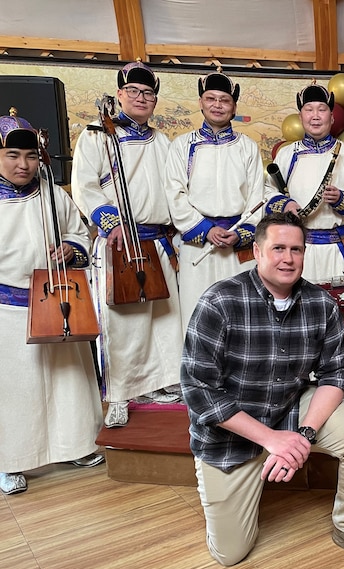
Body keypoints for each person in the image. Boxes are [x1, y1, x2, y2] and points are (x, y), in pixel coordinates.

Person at [181, 212, 344, 569]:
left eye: (296, 249)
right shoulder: (220, 301)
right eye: (278, 248)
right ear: (257, 252)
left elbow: (335, 375)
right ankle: (228, 484)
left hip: (290, 408)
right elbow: (199, 391)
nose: (288, 258)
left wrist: (303, 435)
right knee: (230, 553)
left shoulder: (321, 304)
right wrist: (271, 440)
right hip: (233, 432)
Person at [72, 61, 184, 428]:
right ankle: (118, 394)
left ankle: (159, 383)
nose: (141, 98)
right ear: (120, 94)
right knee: (123, 323)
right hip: (121, 239)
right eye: (133, 91)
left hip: (159, 239)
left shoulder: (162, 141)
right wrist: (110, 220)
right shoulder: (96, 136)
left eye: (148, 93)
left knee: (163, 318)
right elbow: (85, 186)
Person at [0, 112, 104, 495]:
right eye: (12, 155)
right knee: (14, 389)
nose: (23, 165)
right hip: (6, 306)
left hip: (57, 296)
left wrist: (71, 249)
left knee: (68, 381)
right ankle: (9, 460)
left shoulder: (52, 191)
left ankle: (75, 445)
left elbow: (79, 233)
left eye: (29, 156)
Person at [166, 71, 265, 333]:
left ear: (234, 107)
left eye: (224, 100)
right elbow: (175, 194)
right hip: (197, 247)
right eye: (211, 98)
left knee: (242, 318)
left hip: (237, 247)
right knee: (196, 316)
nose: (217, 105)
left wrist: (241, 234)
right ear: (201, 102)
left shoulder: (248, 147)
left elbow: (257, 198)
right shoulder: (181, 145)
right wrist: (206, 230)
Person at [265, 82, 344, 282]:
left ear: (331, 117)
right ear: (300, 116)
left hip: (339, 250)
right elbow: (267, 192)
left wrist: (342, 199)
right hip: (298, 248)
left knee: (341, 307)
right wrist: (286, 204)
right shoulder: (287, 154)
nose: (315, 116)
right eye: (309, 110)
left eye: (322, 110)